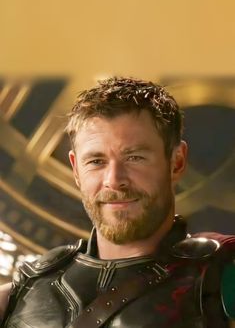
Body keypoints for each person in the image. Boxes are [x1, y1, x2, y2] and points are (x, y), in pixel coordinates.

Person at [0, 76, 235, 328]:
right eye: (96, 161)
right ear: (76, 170)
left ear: (176, 162)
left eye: (134, 157)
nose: (114, 180)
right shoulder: (22, 289)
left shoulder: (223, 274)